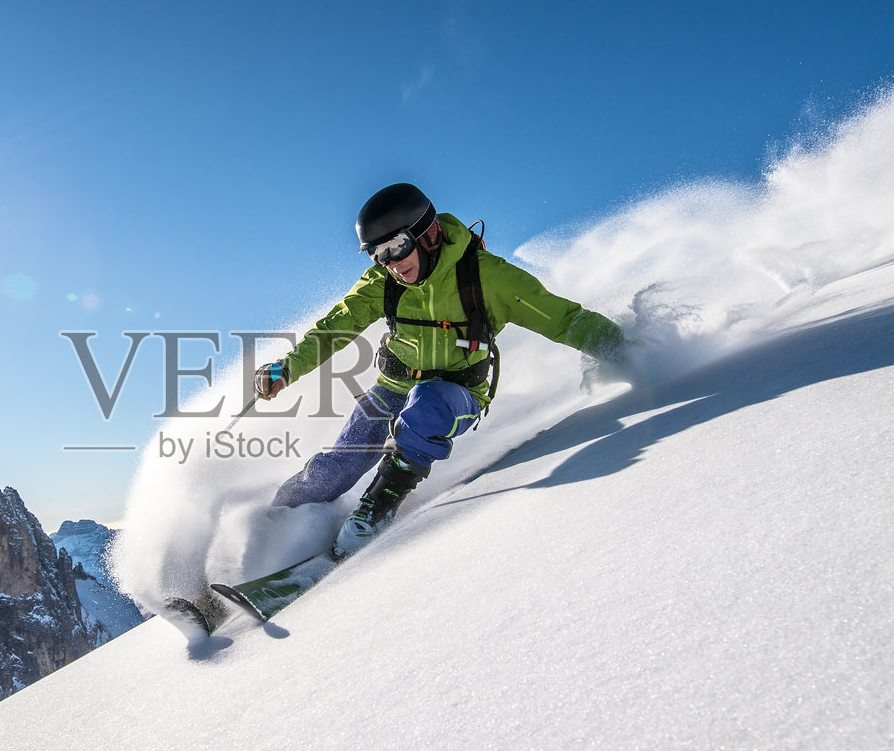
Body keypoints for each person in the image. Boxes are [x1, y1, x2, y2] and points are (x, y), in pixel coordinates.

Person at [255, 182, 632, 558]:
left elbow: (564, 319)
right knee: (334, 469)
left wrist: (632, 355)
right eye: (378, 254)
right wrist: (286, 368)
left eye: (397, 246)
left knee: (427, 405)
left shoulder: (488, 278)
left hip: (456, 393)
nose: (392, 263)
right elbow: (332, 330)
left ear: (428, 233)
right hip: (392, 387)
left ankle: (375, 511)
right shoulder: (383, 282)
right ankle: (268, 534)